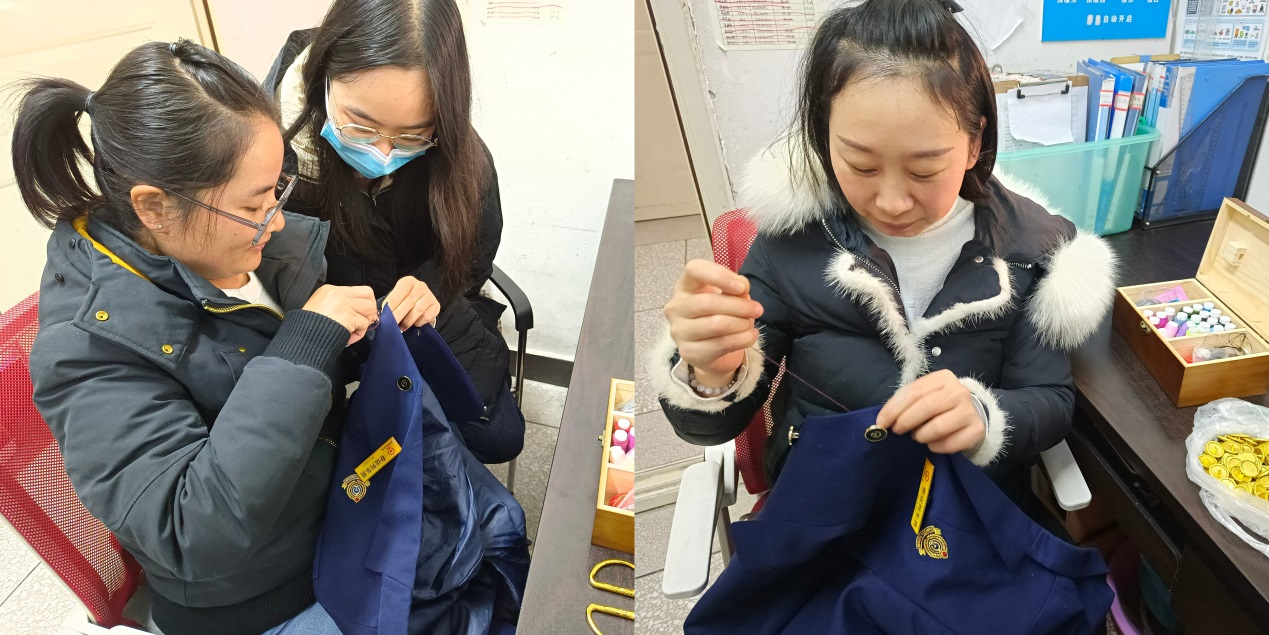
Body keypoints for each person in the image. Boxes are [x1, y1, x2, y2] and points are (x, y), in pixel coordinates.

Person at [651, 0, 1118, 525]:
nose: (892, 202)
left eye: (924, 170)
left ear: (974, 144)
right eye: (861, 165)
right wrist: (710, 373)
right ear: (823, 137)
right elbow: (712, 426)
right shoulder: (792, 239)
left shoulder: (1031, 252)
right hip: (824, 514)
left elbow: (1050, 400)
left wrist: (984, 417)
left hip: (967, 517)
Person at [16, 40, 378, 635]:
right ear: (155, 207)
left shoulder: (246, 249)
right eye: (254, 206)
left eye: (278, 191)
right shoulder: (86, 349)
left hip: (337, 517)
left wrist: (366, 327)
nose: (276, 220)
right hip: (261, 600)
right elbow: (189, 531)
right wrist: (308, 340)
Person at [262, 0, 525, 465]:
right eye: (360, 125)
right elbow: (250, 265)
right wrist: (316, 311)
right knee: (309, 457)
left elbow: (473, 257)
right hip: (318, 320)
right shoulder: (271, 155)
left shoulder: (460, 157)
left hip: (419, 313)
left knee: (498, 435)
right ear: (323, 78)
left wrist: (430, 290)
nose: (383, 154)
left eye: (411, 135)